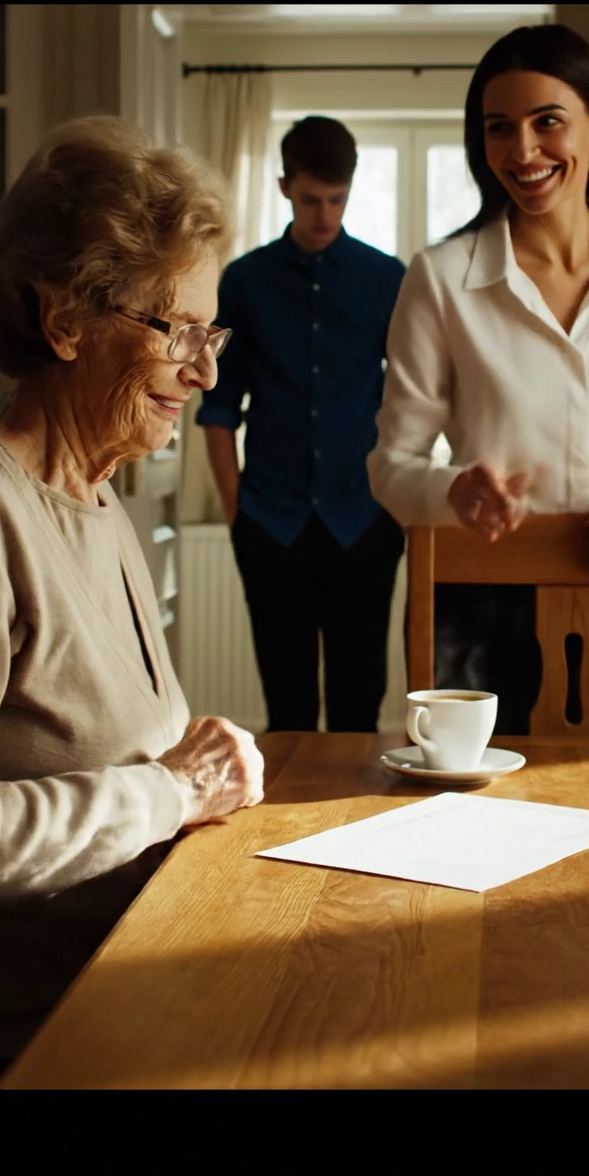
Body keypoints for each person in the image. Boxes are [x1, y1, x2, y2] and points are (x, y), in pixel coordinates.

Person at [0, 116, 265, 1091]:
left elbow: (112, 746)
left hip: (127, 979)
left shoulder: (100, 495)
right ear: (66, 317)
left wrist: (190, 766)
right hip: (17, 1040)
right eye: (180, 331)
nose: (205, 371)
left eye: (214, 334)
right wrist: (174, 789)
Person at [367, 23, 589, 736]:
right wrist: (453, 490)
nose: (522, 152)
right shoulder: (440, 279)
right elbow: (391, 464)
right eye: (500, 129)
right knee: (465, 817)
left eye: (547, 122)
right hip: (472, 596)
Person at [197, 116, 406, 733]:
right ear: (285, 186)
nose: (324, 214)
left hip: (364, 521)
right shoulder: (243, 281)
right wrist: (237, 513)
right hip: (270, 522)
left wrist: (399, 503)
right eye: (311, 199)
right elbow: (216, 405)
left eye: (337, 200)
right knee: (286, 707)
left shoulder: (387, 279)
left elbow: (413, 401)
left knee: (358, 703)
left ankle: (355, 827)